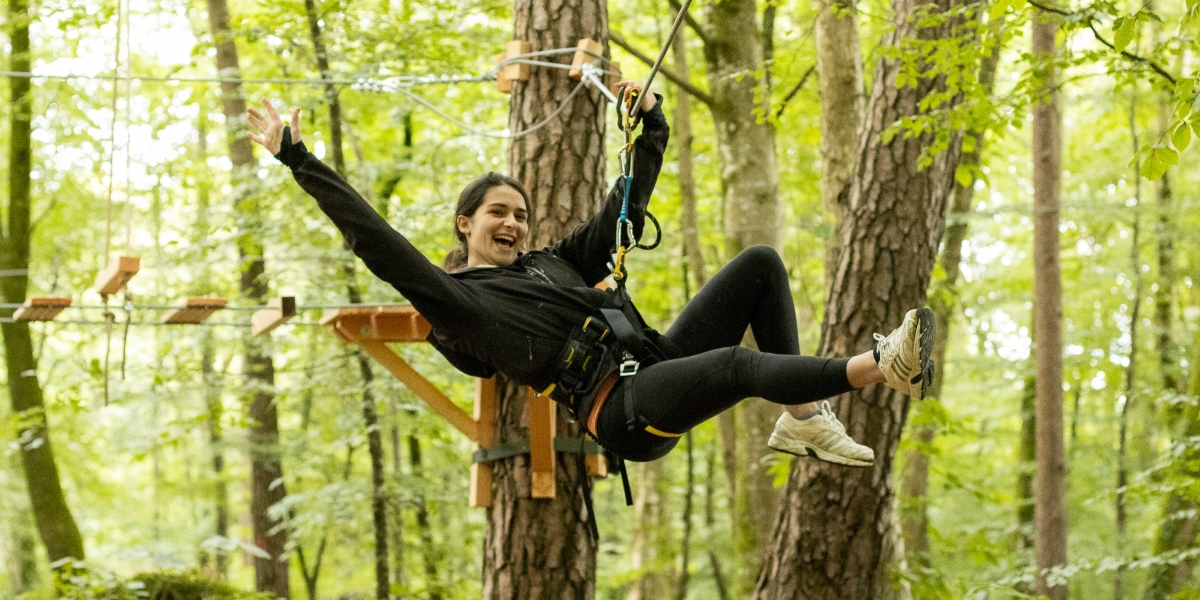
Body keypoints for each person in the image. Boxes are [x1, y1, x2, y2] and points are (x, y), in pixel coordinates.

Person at [245, 85, 933, 469]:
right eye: (496, 214)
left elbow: (620, 212)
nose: (512, 223)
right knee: (733, 364)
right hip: (621, 410)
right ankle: (880, 367)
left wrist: (649, 130)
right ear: (465, 225)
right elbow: (379, 241)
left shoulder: (554, 265)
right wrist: (299, 159)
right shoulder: (462, 302)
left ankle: (806, 419)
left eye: (519, 213)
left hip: (653, 359)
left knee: (760, 266)